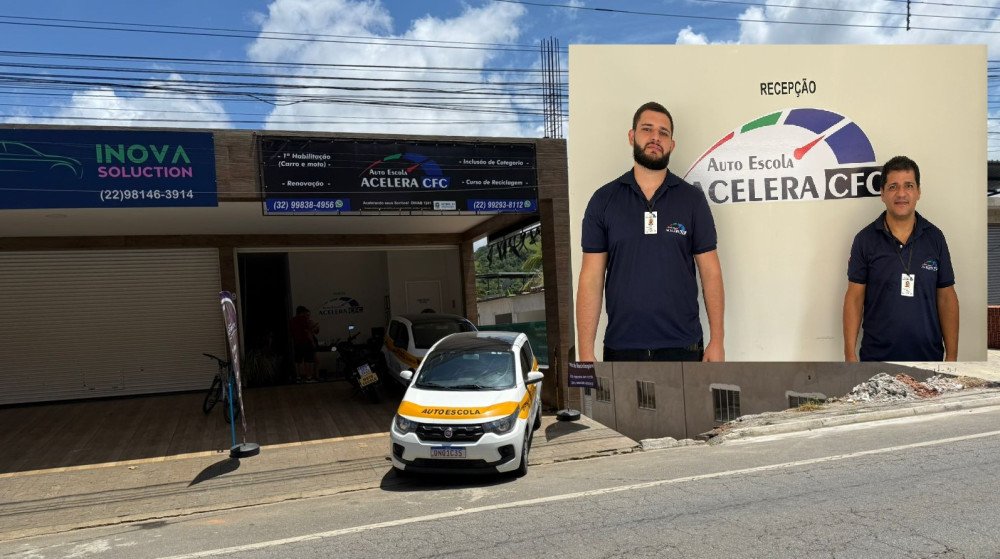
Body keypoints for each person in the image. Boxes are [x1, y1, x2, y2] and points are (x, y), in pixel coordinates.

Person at [576, 101, 725, 362]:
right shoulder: (603, 201)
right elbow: (591, 278)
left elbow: (710, 272)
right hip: (621, 348)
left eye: (663, 133)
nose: (655, 137)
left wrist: (718, 340)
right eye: (647, 129)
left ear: (671, 144)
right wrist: (586, 352)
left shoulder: (692, 201)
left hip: (684, 347)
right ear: (632, 136)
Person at [843, 155, 960, 362]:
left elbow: (946, 297)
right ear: (882, 194)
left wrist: (952, 357)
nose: (901, 194)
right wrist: (849, 354)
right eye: (893, 187)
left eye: (909, 186)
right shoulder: (865, 240)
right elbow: (854, 298)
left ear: (918, 192)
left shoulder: (935, 238)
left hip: (928, 358)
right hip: (876, 359)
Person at [289, 305, 320, 382]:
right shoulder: (304, 320)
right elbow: (308, 332)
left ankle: (298, 376)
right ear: (302, 312)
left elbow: (291, 332)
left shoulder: (292, 320)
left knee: (298, 361)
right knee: (307, 360)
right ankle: (308, 377)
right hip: (305, 342)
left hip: (296, 342)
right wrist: (312, 342)